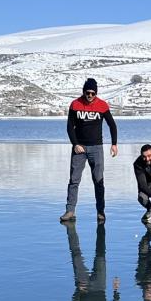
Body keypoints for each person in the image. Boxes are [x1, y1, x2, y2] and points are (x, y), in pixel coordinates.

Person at [61, 78, 118, 223]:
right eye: (88, 93)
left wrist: (114, 144)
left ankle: (100, 212)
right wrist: (75, 144)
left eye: (93, 93)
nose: (90, 96)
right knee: (74, 180)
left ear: (96, 93)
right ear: (84, 92)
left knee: (98, 181)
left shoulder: (102, 105)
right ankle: (70, 211)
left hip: (96, 148)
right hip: (79, 148)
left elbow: (112, 125)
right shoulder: (75, 104)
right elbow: (69, 127)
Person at [65, 222, 120, 301]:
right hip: (100, 287)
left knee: (76, 255)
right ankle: (101, 226)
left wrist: (78, 291)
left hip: (84, 289)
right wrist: (116, 290)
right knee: (101, 255)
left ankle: (71, 231)